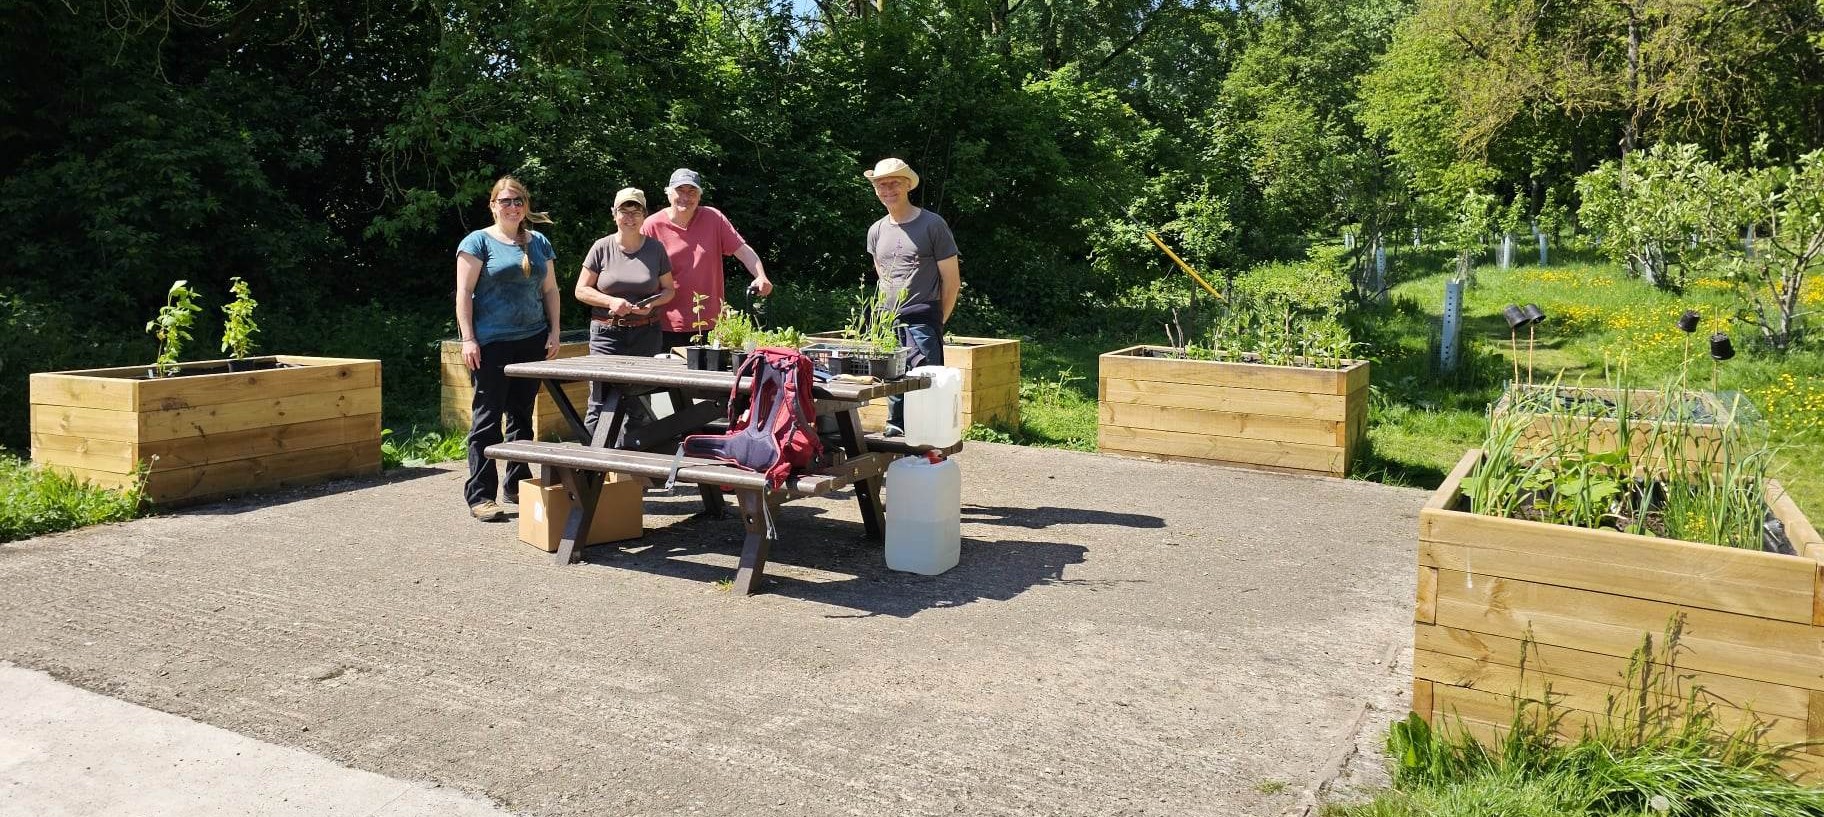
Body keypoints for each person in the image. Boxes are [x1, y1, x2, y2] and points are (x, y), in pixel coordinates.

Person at [455, 176, 562, 521]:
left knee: (521, 416)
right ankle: (480, 495)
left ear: (525, 205)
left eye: (518, 201)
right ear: (493, 205)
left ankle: (516, 484)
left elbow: (550, 291)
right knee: (487, 421)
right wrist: (468, 338)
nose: (513, 207)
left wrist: (554, 331)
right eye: (505, 201)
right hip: (491, 343)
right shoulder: (477, 243)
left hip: (532, 339)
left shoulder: (540, 242)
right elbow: (463, 295)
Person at [863, 157, 961, 436]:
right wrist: (880, 322)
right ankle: (895, 431)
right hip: (886, 320)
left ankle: (929, 443)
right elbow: (883, 278)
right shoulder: (876, 230)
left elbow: (952, 282)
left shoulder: (933, 225)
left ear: (908, 185)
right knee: (892, 381)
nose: (887, 189)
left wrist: (937, 321)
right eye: (881, 184)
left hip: (923, 318)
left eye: (894, 183)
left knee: (926, 384)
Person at [575, 187, 676, 441]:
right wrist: (610, 301)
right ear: (614, 214)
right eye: (624, 210)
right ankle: (588, 470)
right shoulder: (601, 247)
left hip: (646, 333)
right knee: (599, 403)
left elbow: (669, 291)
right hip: (607, 334)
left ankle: (631, 472)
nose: (629, 217)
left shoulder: (656, 249)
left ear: (644, 215)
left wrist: (652, 305)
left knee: (640, 405)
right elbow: (581, 290)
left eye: (636, 211)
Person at [642, 168, 773, 351]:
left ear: (699, 196)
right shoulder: (652, 226)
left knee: (710, 377)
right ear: (669, 193)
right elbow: (639, 271)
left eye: (692, 191)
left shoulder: (714, 218)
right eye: (680, 190)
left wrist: (760, 275)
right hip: (666, 324)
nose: (686, 197)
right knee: (669, 378)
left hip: (712, 324)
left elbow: (743, 251)